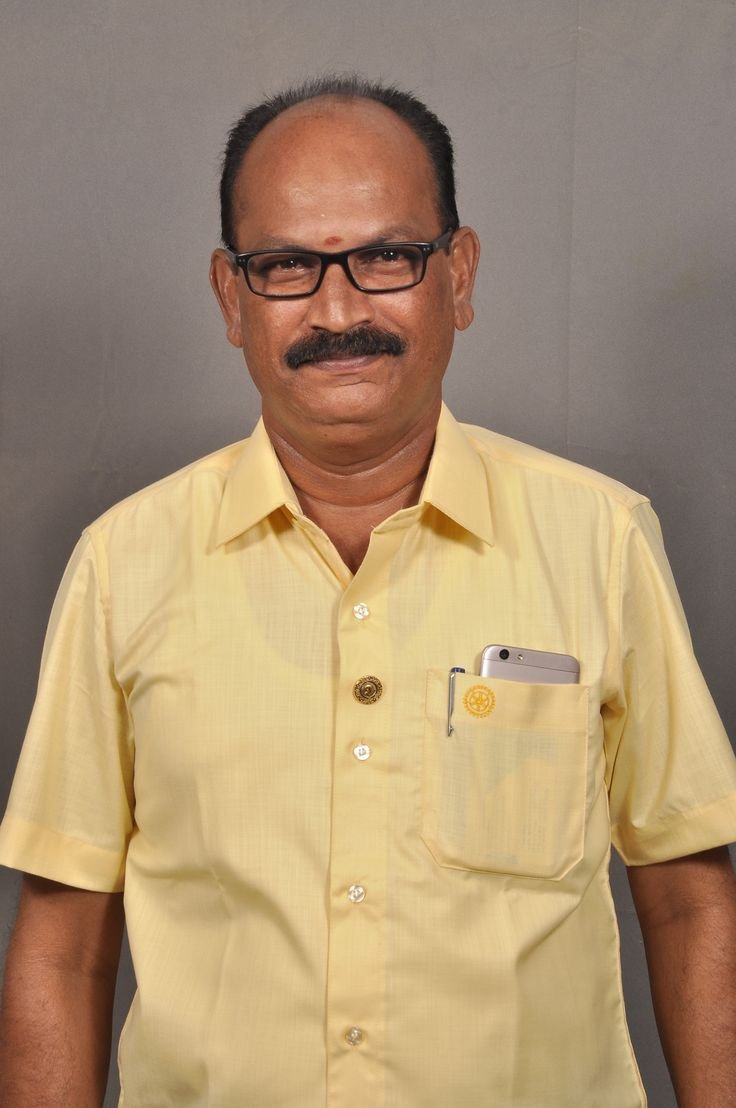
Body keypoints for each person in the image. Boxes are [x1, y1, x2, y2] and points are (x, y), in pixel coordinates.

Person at [0, 74, 735, 1108]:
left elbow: (688, 898)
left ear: (459, 275)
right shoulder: (124, 563)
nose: (338, 310)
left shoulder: (599, 540)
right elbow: (64, 939)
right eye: (286, 266)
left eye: (386, 257)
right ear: (230, 296)